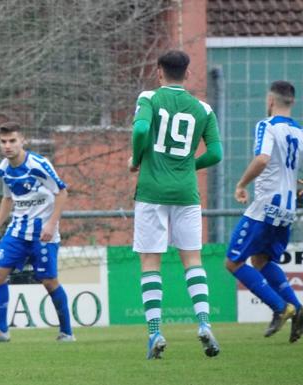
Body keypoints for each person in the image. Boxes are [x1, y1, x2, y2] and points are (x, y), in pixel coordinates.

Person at [129, 50, 223, 359]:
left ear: (159, 72)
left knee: (150, 262)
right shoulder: (204, 109)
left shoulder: (149, 99)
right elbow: (216, 154)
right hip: (186, 194)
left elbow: (141, 130)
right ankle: (204, 323)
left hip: (151, 192)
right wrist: (188, 167)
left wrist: (136, 158)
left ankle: (155, 331)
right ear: (187, 74)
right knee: (192, 260)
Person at [0, 122, 74, 344]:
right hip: (17, 231)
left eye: (12, 141)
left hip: (43, 232)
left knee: (49, 281)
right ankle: (1, 331)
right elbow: (8, 197)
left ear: (23, 141)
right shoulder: (3, 168)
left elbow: (61, 192)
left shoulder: (38, 164)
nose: (7, 146)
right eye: (3, 142)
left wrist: (51, 224)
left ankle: (67, 332)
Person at [225, 80, 303, 343]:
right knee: (260, 260)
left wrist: (241, 183)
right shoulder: (299, 131)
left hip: (266, 205)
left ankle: (280, 307)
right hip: (288, 208)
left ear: (271, 101)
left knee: (233, 261)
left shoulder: (267, 125)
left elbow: (262, 159)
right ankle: (298, 308)